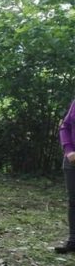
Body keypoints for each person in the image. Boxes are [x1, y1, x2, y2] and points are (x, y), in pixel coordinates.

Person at [56, 99, 75, 253]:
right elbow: (65, 126)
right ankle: (73, 241)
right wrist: (69, 150)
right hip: (72, 161)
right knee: (73, 201)